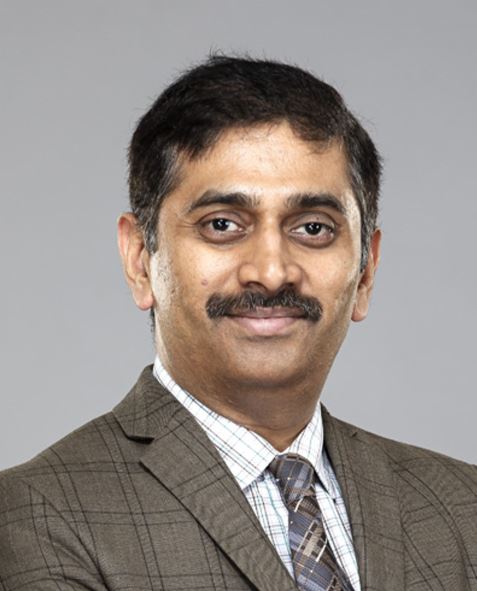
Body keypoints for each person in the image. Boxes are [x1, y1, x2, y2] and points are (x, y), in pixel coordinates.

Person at [0, 55, 476, 591]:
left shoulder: (463, 507)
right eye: (222, 224)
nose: (271, 272)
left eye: (313, 228)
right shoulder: (34, 517)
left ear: (365, 271)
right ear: (140, 261)